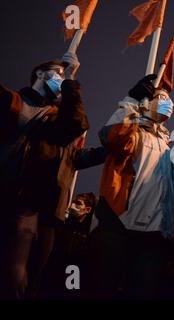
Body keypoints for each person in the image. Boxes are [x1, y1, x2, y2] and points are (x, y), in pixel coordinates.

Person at [0, 52, 104, 299]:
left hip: (30, 207)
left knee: (24, 279)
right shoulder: (13, 101)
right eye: (56, 73)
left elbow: (77, 124)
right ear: (39, 73)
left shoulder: (53, 118)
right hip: (7, 193)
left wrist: (69, 85)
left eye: (62, 75)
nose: (60, 77)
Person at [85, 75, 174, 299]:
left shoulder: (168, 147)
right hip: (120, 226)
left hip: (153, 236)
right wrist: (131, 100)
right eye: (162, 97)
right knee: (104, 288)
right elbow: (112, 138)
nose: (169, 103)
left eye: (170, 99)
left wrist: (170, 231)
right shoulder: (133, 133)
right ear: (146, 103)